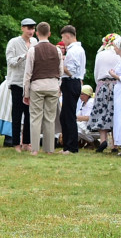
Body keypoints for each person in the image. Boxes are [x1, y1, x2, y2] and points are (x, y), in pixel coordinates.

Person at [23, 22, 64, 156]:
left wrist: (26, 92)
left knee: (35, 118)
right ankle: (49, 149)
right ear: (50, 34)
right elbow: (61, 71)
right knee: (50, 118)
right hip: (52, 85)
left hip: (37, 86)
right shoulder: (57, 50)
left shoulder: (33, 50)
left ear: (37, 33)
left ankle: (35, 149)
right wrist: (58, 86)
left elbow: (28, 73)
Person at [5, 18, 37, 152]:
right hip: (17, 82)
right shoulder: (13, 42)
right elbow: (10, 61)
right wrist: (25, 55)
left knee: (30, 113)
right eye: (28, 28)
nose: (31, 31)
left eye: (33, 28)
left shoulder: (35, 42)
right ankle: (16, 143)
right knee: (17, 114)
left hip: (31, 82)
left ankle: (27, 142)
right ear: (22, 28)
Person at [87, 33, 121, 152]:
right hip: (116, 85)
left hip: (102, 85)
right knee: (114, 113)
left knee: (102, 112)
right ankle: (115, 144)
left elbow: (96, 72)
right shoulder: (119, 55)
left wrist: (99, 84)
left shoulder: (100, 54)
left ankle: (103, 140)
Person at [59, 25, 86, 155]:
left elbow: (71, 71)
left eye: (63, 38)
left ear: (68, 36)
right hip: (73, 83)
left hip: (71, 81)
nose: (63, 40)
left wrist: (60, 64)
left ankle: (71, 146)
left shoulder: (74, 50)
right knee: (64, 115)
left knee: (68, 115)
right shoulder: (79, 49)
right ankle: (67, 145)